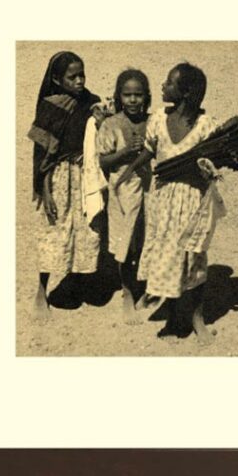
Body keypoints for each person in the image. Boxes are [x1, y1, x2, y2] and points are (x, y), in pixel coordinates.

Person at [116, 63, 219, 342]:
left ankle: (197, 319)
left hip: (193, 202)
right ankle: (173, 319)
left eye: (169, 82)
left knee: (193, 259)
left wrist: (202, 171)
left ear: (185, 92)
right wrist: (129, 171)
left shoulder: (207, 126)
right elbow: (150, 150)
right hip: (163, 201)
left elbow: (212, 166)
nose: (162, 86)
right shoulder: (159, 119)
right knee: (167, 258)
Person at [28, 51, 102, 318]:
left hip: (85, 176)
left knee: (85, 230)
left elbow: (101, 131)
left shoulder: (90, 102)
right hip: (59, 177)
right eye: (73, 77)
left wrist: (100, 118)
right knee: (54, 231)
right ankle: (41, 291)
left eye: (82, 75)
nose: (79, 81)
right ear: (57, 80)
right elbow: (42, 155)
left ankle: (76, 282)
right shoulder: (50, 107)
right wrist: (45, 190)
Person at [96, 69, 152, 323]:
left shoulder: (154, 121)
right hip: (122, 190)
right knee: (126, 242)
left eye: (138, 95)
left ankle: (145, 288)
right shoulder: (112, 124)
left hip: (150, 189)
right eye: (127, 95)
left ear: (146, 96)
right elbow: (103, 161)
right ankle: (127, 291)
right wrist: (126, 152)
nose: (132, 100)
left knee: (146, 238)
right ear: (119, 96)